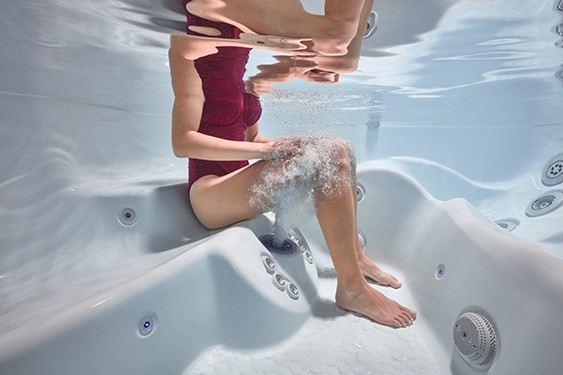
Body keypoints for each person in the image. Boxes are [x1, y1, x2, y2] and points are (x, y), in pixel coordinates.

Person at [169, 0, 416, 328]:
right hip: (209, 193)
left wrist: (277, 145)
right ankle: (351, 289)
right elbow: (183, 142)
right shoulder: (188, 47)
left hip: (238, 180)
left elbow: (252, 138)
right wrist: (267, 151)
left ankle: (357, 259)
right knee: (327, 153)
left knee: (339, 149)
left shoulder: (241, 54)